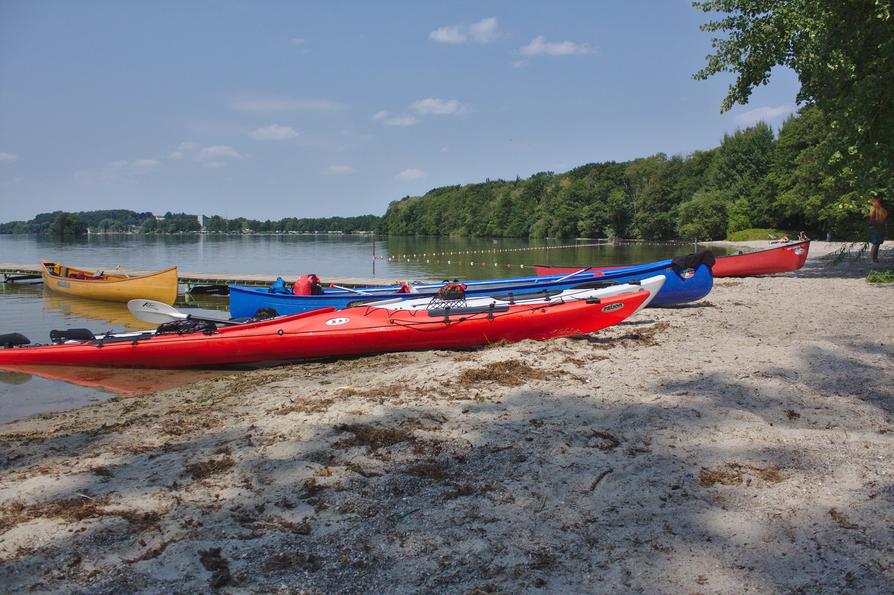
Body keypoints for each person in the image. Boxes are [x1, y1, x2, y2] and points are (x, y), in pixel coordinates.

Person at [869, 192, 888, 263]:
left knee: (878, 243)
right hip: (875, 226)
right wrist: (876, 225)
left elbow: (884, 216)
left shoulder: (880, 207)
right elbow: (872, 218)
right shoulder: (874, 207)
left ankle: (875, 258)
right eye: (878, 198)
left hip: (880, 226)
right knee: (875, 242)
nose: (880, 199)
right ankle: (872, 259)